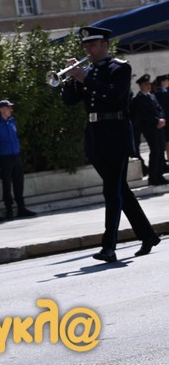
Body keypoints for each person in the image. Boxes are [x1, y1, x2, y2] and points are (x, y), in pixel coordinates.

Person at [61, 26, 161, 262]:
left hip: (116, 134)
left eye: (92, 45)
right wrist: (71, 78)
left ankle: (109, 246)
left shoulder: (120, 68)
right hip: (95, 135)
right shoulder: (88, 71)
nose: (88, 50)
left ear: (104, 45)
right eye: (86, 46)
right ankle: (148, 235)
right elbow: (70, 101)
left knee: (111, 191)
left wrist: (85, 78)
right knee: (120, 190)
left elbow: (114, 95)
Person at [0, 99, 36, 219]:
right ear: (1, 110)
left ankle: (21, 207)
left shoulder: (12, 121)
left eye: (10, 108)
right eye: (7, 108)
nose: (10, 110)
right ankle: (9, 209)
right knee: (6, 183)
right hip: (4, 157)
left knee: (19, 182)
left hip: (16, 155)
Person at [130, 74, 168, 186]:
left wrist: (162, 119)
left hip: (160, 128)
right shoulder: (138, 99)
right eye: (146, 84)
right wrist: (157, 121)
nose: (149, 86)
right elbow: (144, 115)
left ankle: (159, 175)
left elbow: (160, 109)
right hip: (150, 129)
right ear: (141, 85)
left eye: (149, 84)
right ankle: (153, 177)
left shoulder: (152, 96)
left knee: (160, 151)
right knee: (155, 152)